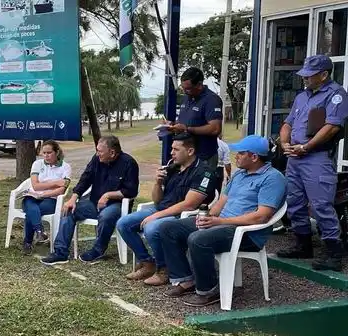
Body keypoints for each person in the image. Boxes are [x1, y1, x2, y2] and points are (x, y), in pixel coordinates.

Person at [158, 135, 287, 306]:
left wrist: (219, 222)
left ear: (254, 157)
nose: (236, 156)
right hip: (223, 224)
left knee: (198, 239)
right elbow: (220, 203)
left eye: (241, 153)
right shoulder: (239, 175)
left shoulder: (273, 178)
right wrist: (208, 217)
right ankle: (186, 280)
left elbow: (261, 216)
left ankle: (209, 290)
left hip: (247, 233)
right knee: (168, 228)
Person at [277, 55, 348, 271]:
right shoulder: (302, 97)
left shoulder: (336, 95)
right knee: (295, 201)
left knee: (321, 205)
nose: (305, 79)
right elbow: (288, 123)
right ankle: (303, 244)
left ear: (324, 75)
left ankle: (333, 252)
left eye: (310, 76)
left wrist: (307, 147)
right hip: (295, 158)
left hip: (316, 157)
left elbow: (332, 127)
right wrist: (284, 143)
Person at [116, 134, 216, 285]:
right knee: (123, 223)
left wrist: (156, 216)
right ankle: (148, 263)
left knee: (151, 228)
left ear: (190, 151)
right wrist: (157, 183)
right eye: (171, 149)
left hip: (182, 215)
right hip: (161, 209)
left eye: (176, 149)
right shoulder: (173, 167)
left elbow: (189, 204)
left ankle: (164, 269)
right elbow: (157, 200)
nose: (171, 153)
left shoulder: (204, 171)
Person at [41, 135, 138, 264]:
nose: (97, 154)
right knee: (69, 210)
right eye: (97, 150)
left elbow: (131, 191)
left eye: (100, 151)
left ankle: (98, 250)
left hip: (117, 205)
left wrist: (108, 195)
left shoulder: (129, 163)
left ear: (112, 152)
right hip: (94, 203)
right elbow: (86, 178)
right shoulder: (96, 159)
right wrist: (73, 198)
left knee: (106, 215)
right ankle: (61, 252)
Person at [20, 140, 71, 255]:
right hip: (31, 196)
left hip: (51, 199)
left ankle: (28, 242)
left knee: (31, 212)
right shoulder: (37, 164)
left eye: (49, 153)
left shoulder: (65, 167)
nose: (46, 156)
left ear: (56, 152)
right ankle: (39, 231)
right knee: (30, 206)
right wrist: (56, 182)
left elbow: (62, 189)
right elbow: (35, 186)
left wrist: (43, 194)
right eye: (44, 153)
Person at [166, 67, 223, 170]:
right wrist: (173, 125)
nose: (185, 91)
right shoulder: (186, 98)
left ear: (199, 85)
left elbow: (215, 129)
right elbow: (185, 121)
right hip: (185, 157)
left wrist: (186, 129)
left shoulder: (211, 99)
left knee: (198, 186)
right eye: (183, 88)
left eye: (188, 88)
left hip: (203, 157)